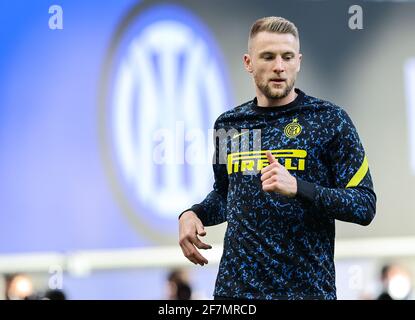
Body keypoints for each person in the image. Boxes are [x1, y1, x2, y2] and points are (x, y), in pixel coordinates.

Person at [178, 16, 376, 300]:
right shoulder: (231, 124)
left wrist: (299, 188)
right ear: (248, 63)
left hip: (306, 292)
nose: (279, 66)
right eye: (268, 57)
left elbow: (364, 205)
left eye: (287, 56)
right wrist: (192, 213)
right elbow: (225, 195)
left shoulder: (330, 120)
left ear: (299, 61)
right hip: (236, 294)